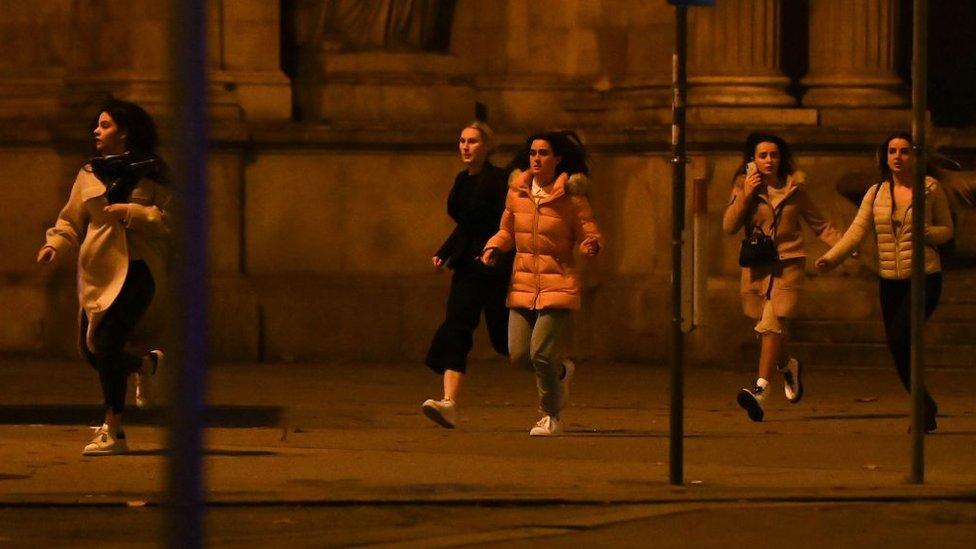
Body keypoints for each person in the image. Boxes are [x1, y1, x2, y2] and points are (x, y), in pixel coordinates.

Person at [37, 99, 170, 455]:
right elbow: (70, 220)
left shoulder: (153, 171)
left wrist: (135, 213)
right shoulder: (89, 173)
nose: (97, 131)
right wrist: (55, 245)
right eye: (98, 124)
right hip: (97, 268)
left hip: (138, 268)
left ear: (125, 131)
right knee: (90, 350)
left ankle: (114, 430)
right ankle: (145, 365)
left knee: (105, 345)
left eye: (105, 124)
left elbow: (173, 219)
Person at [816, 132, 953, 432]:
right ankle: (925, 404)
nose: (898, 157)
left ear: (915, 157)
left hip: (925, 276)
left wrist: (927, 233)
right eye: (892, 151)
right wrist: (831, 258)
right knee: (896, 344)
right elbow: (856, 231)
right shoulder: (876, 193)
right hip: (890, 279)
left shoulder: (930, 189)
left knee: (904, 335)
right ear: (885, 157)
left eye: (904, 151)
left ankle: (921, 407)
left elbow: (947, 230)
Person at [482, 130, 602, 436]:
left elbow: (590, 230)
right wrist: (493, 247)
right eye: (533, 153)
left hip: (558, 282)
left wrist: (590, 244)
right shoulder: (517, 192)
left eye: (544, 153)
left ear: (557, 159)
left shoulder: (571, 197)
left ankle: (551, 414)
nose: (537, 158)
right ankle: (561, 372)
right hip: (523, 282)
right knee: (519, 356)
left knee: (541, 353)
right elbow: (507, 230)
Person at [723, 132, 841, 422]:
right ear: (752, 159)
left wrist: (844, 248)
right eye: (762, 155)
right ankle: (788, 365)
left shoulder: (795, 188)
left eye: (773, 155)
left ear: (781, 158)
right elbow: (729, 225)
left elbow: (820, 224)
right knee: (767, 328)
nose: (769, 161)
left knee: (773, 323)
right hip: (756, 265)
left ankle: (760, 389)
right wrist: (747, 194)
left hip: (789, 264)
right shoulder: (742, 186)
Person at [422, 121, 513, 428]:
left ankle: (555, 371)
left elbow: (506, 223)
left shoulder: (500, 180)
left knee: (504, 339)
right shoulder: (462, 181)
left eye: (472, 141)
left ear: (487, 147)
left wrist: (496, 251)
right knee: (457, 327)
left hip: (494, 266)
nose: (465, 146)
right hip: (466, 266)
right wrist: (445, 251)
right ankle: (449, 402)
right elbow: (465, 225)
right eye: (462, 141)